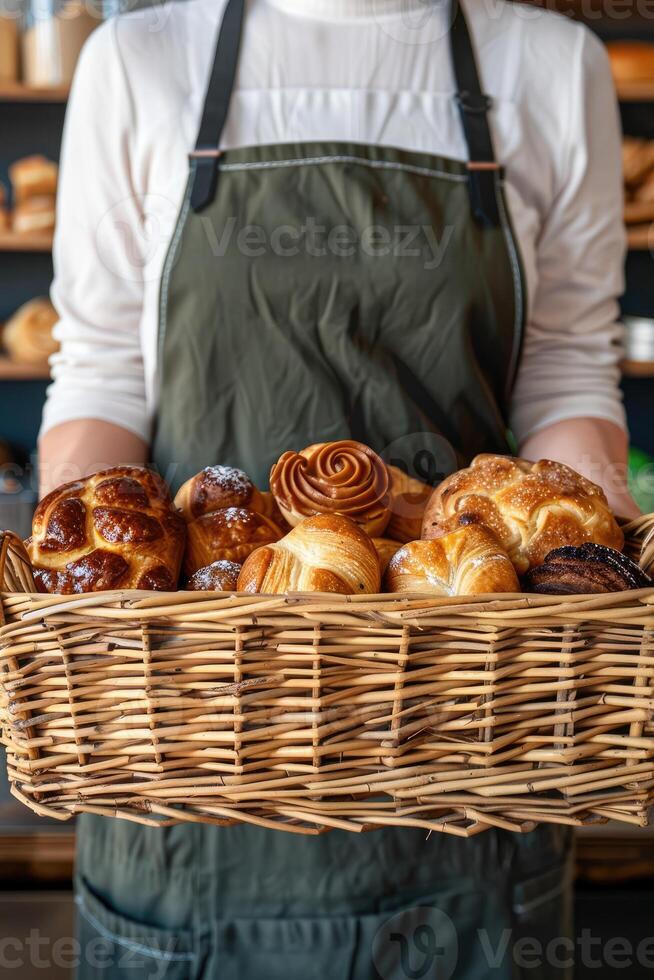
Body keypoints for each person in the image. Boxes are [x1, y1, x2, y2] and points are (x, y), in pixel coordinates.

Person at [39, 0, 639, 976]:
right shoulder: (139, 59)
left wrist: (572, 572)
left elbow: (569, 369)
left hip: (469, 732)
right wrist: (85, 604)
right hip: (195, 760)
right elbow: (102, 369)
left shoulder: (549, 63)